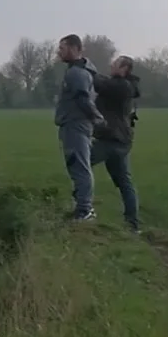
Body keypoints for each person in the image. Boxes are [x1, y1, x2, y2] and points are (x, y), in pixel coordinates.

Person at [54, 33, 104, 222]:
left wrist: (97, 119)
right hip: (75, 124)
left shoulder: (76, 73)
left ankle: (85, 210)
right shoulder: (81, 70)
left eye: (62, 47)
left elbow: (83, 100)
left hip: (75, 125)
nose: (59, 51)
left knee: (80, 167)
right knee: (78, 166)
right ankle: (82, 208)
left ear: (75, 49)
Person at [92, 54, 143, 234]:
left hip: (112, 139)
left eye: (115, 64)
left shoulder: (122, 86)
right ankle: (132, 225)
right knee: (124, 182)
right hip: (120, 140)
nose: (111, 65)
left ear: (124, 69)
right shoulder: (125, 85)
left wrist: (85, 69)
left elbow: (101, 84)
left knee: (79, 164)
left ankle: (83, 210)